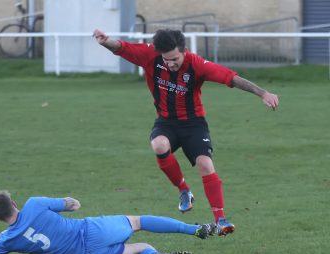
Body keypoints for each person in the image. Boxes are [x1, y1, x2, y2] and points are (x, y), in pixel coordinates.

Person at [93, 29, 279, 236]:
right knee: (159, 145)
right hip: (166, 122)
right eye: (166, 59)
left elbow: (231, 78)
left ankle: (221, 220)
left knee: (205, 164)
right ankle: (184, 190)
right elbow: (123, 48)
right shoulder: (151, 56)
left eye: (174, 59)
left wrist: (263, 93)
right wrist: (105, 41)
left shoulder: (196, 64)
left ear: (184, 51)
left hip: (193, 124)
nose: (170, 64)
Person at [0, 191, 217, 254]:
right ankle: (193, 229)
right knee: (138, 222)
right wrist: (72, 202)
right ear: (14, 203)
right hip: (91, 231)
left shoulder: (5, 241)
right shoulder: (34, 204)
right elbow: (71, 204)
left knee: (140, 248)